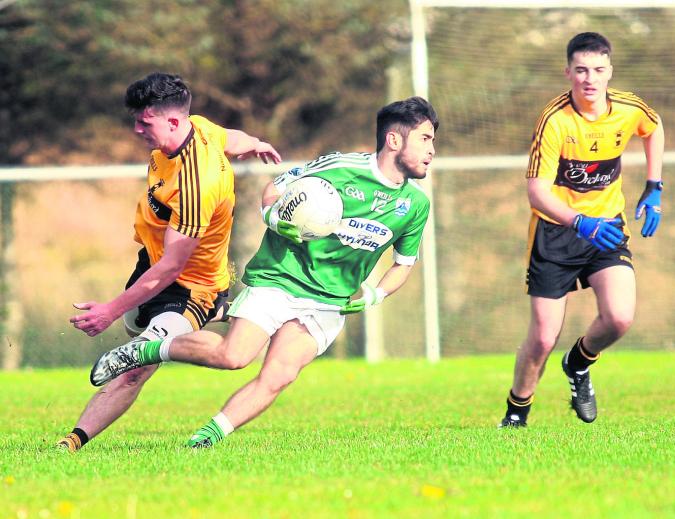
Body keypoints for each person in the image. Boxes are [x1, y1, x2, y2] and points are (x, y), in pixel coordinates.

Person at [88, 96, 439, 448]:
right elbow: (277, 188)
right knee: (233, 357)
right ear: (394, 140)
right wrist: (276, 218)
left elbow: (403, 265)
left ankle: (204, 440)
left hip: (329, 301)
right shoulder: (339, 168)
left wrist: (374, 295)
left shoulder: (416, 204)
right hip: (280, 279)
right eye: (425, 139)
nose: (432, 150)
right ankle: (144, 351)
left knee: (279, 375)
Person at [56, 72, 282, 452]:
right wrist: (256, 143)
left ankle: (72, 441)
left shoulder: (197, 184)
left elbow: (172, 270)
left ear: (173, 121)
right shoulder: (198, 128)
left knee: (137, 366)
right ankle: (220, 310)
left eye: (144, 123)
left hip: (189, 286)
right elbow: (230, 137)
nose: (136, 130)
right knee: (136, 331)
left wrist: (108, 311)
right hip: (150, 265)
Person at [499, 32, 664, 427]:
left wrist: (654, 187)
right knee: (541, 338)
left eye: (598, 70)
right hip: (556, 233)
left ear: (610, 71)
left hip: (606, 228)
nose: (590, 78)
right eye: (581, 70)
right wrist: (578, 221)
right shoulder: (554, 121)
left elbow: (654, 127)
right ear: (568, 72)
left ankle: (578, 363)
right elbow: (537, 193)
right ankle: (517, 413)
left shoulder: (627, 108)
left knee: (620, 317)